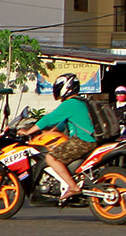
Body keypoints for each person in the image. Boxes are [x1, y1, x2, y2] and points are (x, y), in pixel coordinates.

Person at [18, 73, 95, 201]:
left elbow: (49, 118)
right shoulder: (81, 102)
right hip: (88, 140)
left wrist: (28, 131)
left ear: (66, 87)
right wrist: (46, 132)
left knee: (51, 158)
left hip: (82, 141)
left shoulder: (70, 104)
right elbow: (61, 125)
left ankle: (73, 187)